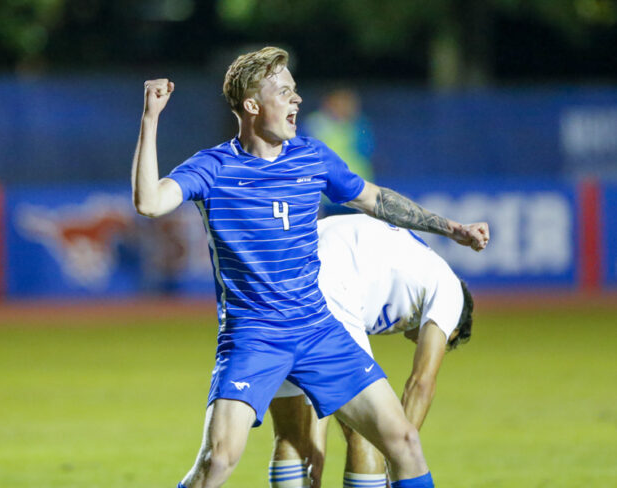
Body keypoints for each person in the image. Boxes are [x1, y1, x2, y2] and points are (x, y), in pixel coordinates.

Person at [131, 46, 489, 488]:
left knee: (403, 442)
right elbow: (149, 202)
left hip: (319, 329)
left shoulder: (311, 156)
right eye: (285, 92)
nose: (297, 100)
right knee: (219, 460)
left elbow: (375, 199)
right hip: (254, 336)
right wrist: (150, 120)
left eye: (296, 91)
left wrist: (450, 228)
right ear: (252, 104)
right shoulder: (214, 167)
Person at [270, 213, 475, 487]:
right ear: (454, 326)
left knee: (290, 433)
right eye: (446, 340)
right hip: (331, 274)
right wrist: (399, 454)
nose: (426, 342)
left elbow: (321, 374)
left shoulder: (402, 276)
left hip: (280, 267)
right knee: (369, 430)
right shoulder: (451, 292)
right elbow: (421, 383)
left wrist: (316, 441)